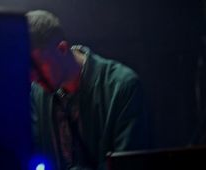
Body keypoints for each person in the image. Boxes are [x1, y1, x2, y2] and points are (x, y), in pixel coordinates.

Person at [28, 10, 148, 170]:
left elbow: (130, 165)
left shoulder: (122, 86)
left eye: (38, 65)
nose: (32, 76)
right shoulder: (37, 93)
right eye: (27, 68)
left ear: (62, 49)